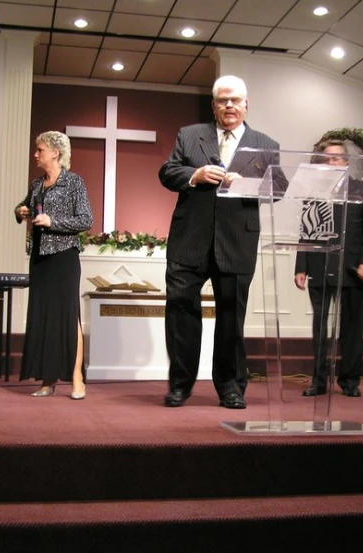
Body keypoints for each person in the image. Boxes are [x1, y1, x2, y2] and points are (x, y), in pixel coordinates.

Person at [158, 74, 279, 409]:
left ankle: (230, 387)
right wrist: (193, 176)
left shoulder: (266, 144)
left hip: (237, 242)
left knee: (231, 317)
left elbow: (278, 190)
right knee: (181, 312)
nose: (229, 106)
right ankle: (180, 385)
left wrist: (250, 184)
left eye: (235, 100)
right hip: (189, 240)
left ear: (246, 104)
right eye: (223, 100)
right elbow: (167, 172)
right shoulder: (190, 135)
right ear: (213, 105)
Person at [294, 139, 363, 398]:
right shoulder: (314, 190)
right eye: (326, 159)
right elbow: (306, 230)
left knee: (352, 327)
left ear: (346, 162)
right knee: (320, 327)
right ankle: (319, 381)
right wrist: (301, 265)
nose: (331, 162)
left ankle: (350, 380)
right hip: (320, 265)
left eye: (336, 158)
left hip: (354, 268)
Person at [15, 131, 93, 399]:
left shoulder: (74, 182)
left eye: (40, 149)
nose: (35, 154)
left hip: (63, 257)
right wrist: (20, 211)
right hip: (40, 258)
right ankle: (47, 379)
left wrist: (53, 222)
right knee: (44, 317)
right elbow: (24, 206)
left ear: (55, 153)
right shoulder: (37, 185)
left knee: (69, 317)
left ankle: (76, 378)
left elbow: (85, 220)